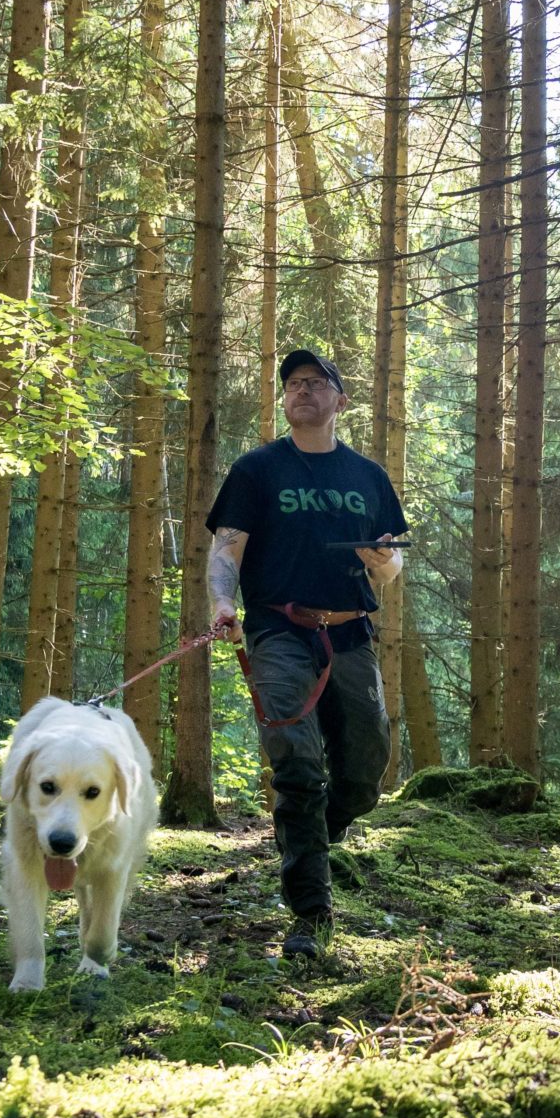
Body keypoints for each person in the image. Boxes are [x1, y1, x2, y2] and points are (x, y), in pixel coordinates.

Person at [205, 349, 409, 958]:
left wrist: (383, 563)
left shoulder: (367, 476)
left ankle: (316, 831)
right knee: (294, 758)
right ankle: (310, 914)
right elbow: (226, 547)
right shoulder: (256, 469)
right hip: (277, 629)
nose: (302, 391)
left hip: (349, 632)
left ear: (340, 401)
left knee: (366, 765)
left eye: (316, 383)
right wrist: (222, 605)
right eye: (293, 384)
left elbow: (392, 563)